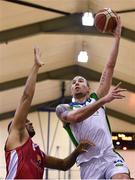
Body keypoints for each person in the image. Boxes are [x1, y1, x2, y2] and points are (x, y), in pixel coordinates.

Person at [56, 17, 130, 179]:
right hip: (88, 164)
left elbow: (109, 67)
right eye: (73, 82)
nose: (76, 83)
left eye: (80, 81)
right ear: (71, 89)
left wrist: (117, 37)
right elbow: (76, 117)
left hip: (109, 157)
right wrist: (104, 100)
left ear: (88, 88)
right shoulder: (63, 109)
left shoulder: (96, 97)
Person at [5, 47, 92, 179]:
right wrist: (36, 66)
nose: (30, 122)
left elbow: (63, 165)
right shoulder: (16, 135)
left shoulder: (37, 152)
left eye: (28, 121)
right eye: (26, 122)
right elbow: (26, 97)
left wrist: (77, 151)